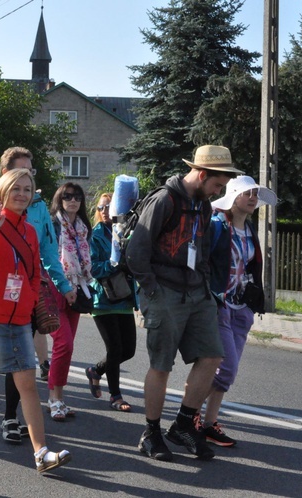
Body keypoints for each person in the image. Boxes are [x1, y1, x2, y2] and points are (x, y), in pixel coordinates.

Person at [125, 144, 241, 461]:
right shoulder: (165, 199)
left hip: (197, 293)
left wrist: (205, 289)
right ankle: (151, 433)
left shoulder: (202, 205)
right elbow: (136, 252)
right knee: (161, 365)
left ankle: (184, 424)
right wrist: (152, 291)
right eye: (217, 184)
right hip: (162, 291)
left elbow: (201, 250)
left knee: (212, 357)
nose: (219, 191)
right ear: (202, 174)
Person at [0, 168, 71, 473]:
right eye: (16, 189)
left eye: (27, 189)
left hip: (20, 318)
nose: (22, 194)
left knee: (28, 385)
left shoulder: (30, 231)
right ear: (3, 191)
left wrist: (30, 304)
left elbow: (34, 273)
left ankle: (41, 452)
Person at [0, 147, 74, 442]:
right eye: (21, 171)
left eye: (30, 174)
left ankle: (11, 417)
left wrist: (63, 285)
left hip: (29, 291)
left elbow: (47, 250)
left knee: (21, 358)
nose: (26, 179)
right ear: (5, 175)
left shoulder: (40, 207)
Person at [201, 175, 275, 446]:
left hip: (242, 308)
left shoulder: (250, 229)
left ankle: (208, 423)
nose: (254, 197)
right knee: (227, 369)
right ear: (234, 197)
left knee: (224, 373)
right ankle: (188, 415)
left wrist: (254, 303)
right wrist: (210, 295)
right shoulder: (217, 226)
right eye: (248, 193)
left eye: (256, 193)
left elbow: (252, 267)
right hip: (220, 306)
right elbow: (203, 262)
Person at [84, 193, 137, 412]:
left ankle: (96, 371)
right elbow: (93, 268)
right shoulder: (94, 235)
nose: (105, 211)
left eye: (109, 206)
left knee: (129, 350)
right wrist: (115, 264)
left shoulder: (126, 232)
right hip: (103, 298)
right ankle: (115, 396)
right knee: (114, 348)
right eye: (101, 207)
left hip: (123, 297)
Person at [48, 182, 92, 421]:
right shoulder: (54, 224)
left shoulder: (83, 227)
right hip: (56, 288)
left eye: (76, 197)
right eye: (67, 196)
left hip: (78, 289)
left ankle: (59, 398)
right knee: (63, 344)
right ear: (59, 199)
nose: (72, 200)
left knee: (66, 348)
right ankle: (53, 399)